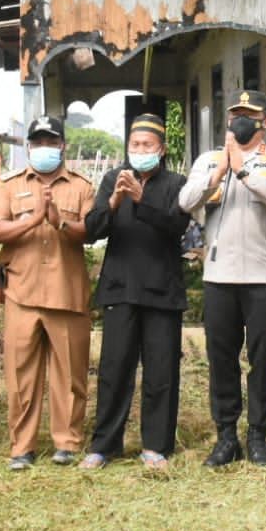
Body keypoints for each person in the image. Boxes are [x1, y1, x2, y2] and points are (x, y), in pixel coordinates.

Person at [180, 90, 266, 467]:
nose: (241, 120)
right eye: (236, 114)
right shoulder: (208, 159)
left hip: (263, 275)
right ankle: (226, 435)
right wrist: (220, 172)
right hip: (220, 274)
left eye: (250, 114)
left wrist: (244, 170)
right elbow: (186, 202)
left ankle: (259, 434)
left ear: (265, 122)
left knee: (263, 356)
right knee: (221, 358)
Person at [81, 114, 192, 470]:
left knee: (161, 371)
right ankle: (104, 445)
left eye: (147, 145)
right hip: (120, 288)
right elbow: (92, 229)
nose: (139, 151)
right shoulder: (114, 178)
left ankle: (155, 446)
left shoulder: (177, 183)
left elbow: (177, 226)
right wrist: (114, 201)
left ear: (161, 150)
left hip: (162, 288)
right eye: (134, 145)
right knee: (114, 369)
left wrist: (143, 200)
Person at [0, 114, 94, 470]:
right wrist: (33, 220)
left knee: (70, 374)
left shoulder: (81, 186)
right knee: (21, 374)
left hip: (66, 291)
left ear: (63, 145)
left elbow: (91, 231)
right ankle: (22, 446)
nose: (45, 148)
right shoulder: (9, 185)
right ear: (29, 146)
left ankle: (67, 441)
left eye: (51, 141)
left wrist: (58, 219)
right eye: (38, 142)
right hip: (21, 292)